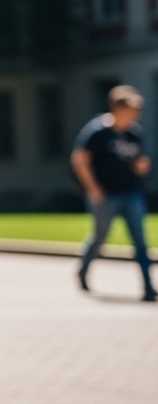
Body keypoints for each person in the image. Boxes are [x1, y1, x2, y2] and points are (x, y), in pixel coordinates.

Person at [73, 85, 155, 301]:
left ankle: (148, 287)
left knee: (140, 240)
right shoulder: (97, 132)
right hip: (105, 196)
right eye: (131, 110)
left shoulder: (134, 133)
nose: (135, 115)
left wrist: (142, 166)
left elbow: (140, 162)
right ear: (117, 109)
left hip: (130, 193)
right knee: (100, 238)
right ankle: (83, 270)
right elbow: (80, 160)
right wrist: (93, 189)